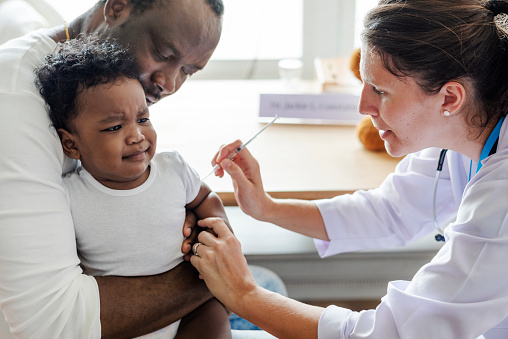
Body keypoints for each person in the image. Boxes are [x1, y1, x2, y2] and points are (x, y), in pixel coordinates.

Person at [188, 0, 508, 338]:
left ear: (449, 99)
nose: (363, 106)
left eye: (380, 91)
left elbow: (395, 333)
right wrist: (266, 207)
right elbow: (389, 211)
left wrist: (244, 294)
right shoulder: (469, 128)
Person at [0, 0, 223, 337]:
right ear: (117, 7)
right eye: (163, 53)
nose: (170, 84)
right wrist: (219, 277)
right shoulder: (15, 101)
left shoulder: (103, 83)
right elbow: (50, 322)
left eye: (188, 71)